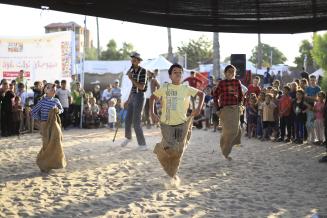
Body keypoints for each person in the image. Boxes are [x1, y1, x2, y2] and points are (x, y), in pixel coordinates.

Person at [150, 63, 204, 178]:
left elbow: (201, 94)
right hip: (167, 124)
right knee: (169, 149)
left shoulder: (186, 88)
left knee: (178, 151)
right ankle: (160, 150)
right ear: (170, 75)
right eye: (175, 72)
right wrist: (152, 113)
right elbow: (152, 98)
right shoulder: (165, 88)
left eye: (180, 72)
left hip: (182, 124)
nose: (178, 74)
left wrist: (198, 108)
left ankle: (172, 173)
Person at [31, 83, 66, 172]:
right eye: (50, 88)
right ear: (45, 91)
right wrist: (40, 121)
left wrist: (58, 111)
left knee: (56, 143)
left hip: (54, 125)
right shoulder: (41, 101)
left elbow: (62, 110)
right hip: (45, 125)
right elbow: (33, 112)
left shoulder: (56, 100)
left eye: (54, 88)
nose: (53, 90)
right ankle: (44, 164)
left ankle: (54, 163)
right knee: (46, 145)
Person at [213, 65, 243, 160]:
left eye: (233, 71)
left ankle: (225, 146)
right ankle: (226, 152)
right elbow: (215, 95)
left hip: (235, 108)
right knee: (227, 131)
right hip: (224, 109)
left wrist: (241, 104)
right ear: (225, 73)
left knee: (235, 131)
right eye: (229, 71)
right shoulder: (222, 83)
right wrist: (217, 108)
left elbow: (241, 95)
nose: (231, 73)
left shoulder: (237, 82)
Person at [120, 52, 148, 150]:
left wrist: (131, 78)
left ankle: (143, 144)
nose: (133, 61)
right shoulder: (132, 71)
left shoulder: (143, 71)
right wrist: (128, 100)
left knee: (136, 121)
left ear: (139, 61)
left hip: (140, 96)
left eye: (135, 59)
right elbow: (133, 87)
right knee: (127, 119)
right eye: (132, 59)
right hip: (133, 96)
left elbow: (141, 86)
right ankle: (128, 138)